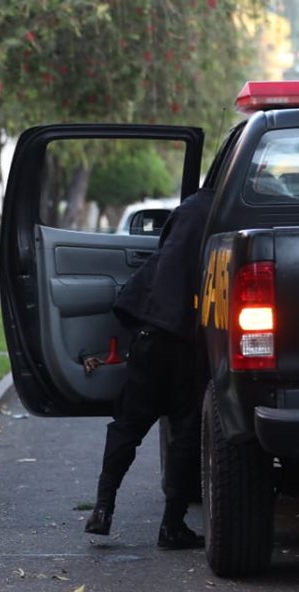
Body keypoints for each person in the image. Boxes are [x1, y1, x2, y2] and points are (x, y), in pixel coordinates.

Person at [84, 186, 214, 549]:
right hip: (190, 342)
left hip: (151, 334)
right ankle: (172, 524)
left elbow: (148, 278)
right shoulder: (231, 211)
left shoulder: (188, 210)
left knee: (129, 424)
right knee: (187, 430)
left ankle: (103, 508)